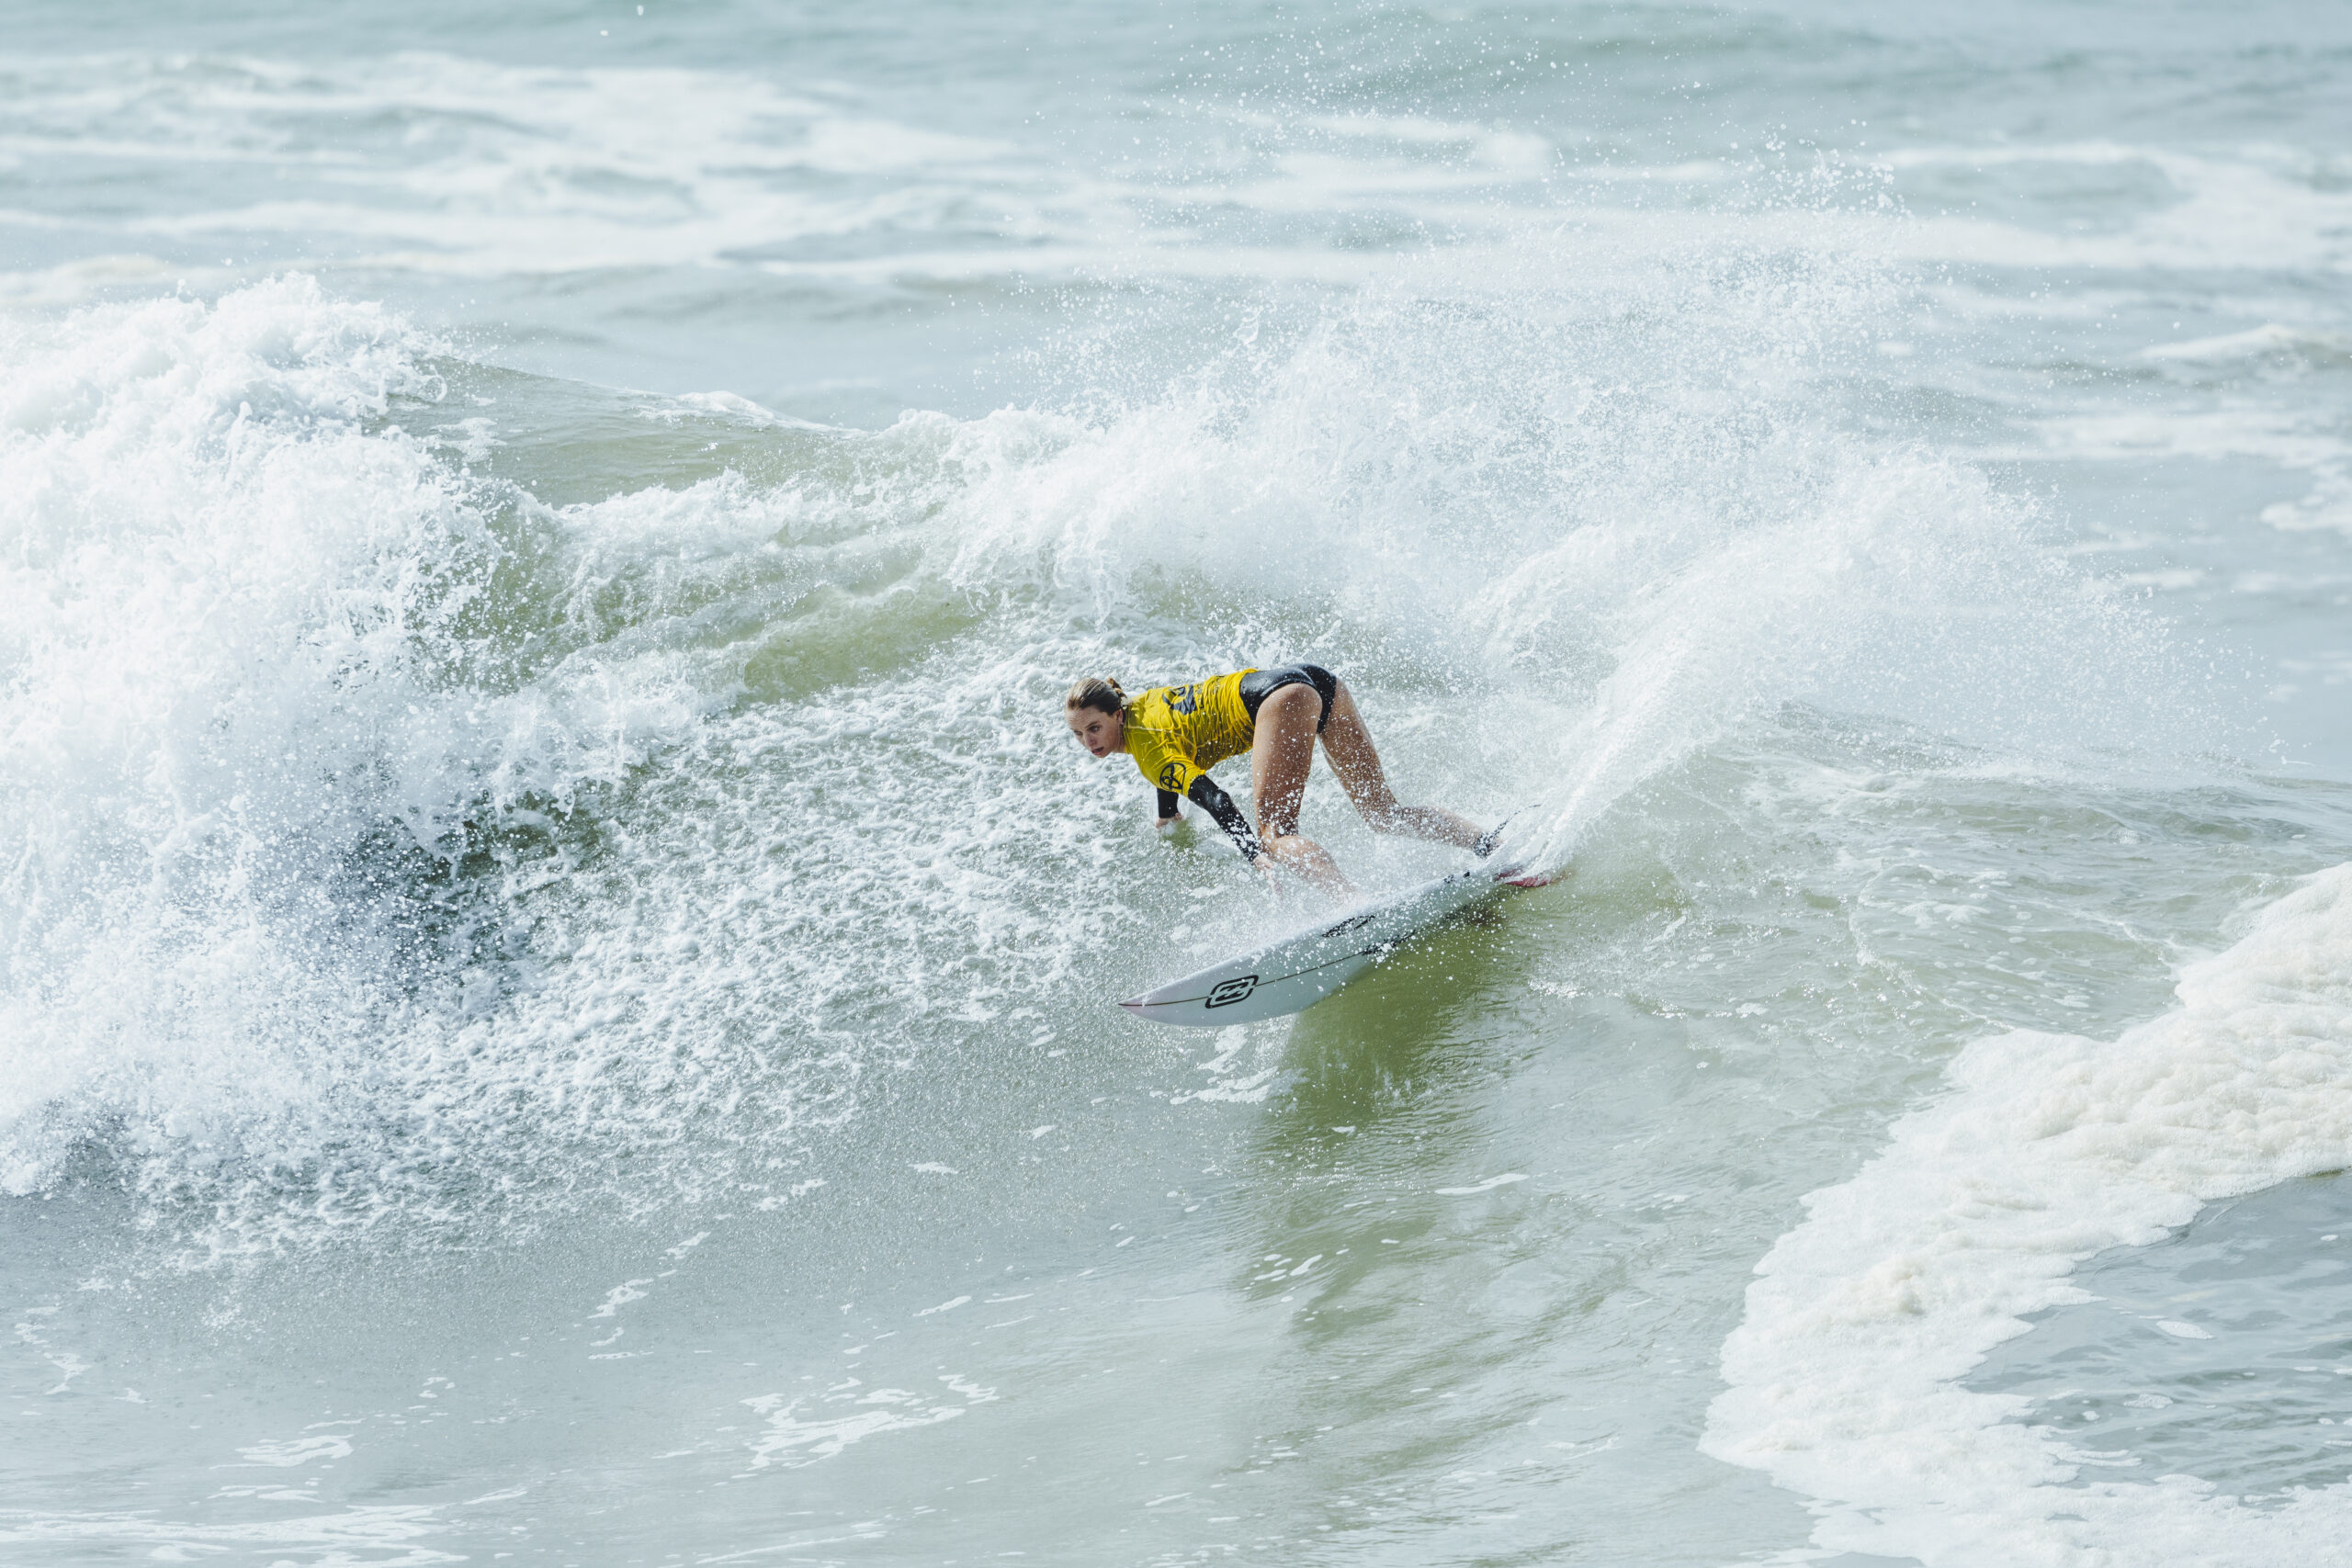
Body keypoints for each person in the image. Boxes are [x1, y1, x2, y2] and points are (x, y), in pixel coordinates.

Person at [1063, 663, 1497, 895]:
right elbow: (1169, 758)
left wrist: (1254, 853)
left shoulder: (1150, 752)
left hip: (1281, 700)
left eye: (1094, 729)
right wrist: (1169, 811)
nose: (1089, 741)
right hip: (1316, 681)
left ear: (1116, 716)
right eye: (1079, 733)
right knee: (1383, 812)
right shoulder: (1138, 705)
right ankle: (1487, 842)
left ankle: (1355, 904)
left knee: (1274, 834)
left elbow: (1215, 798)